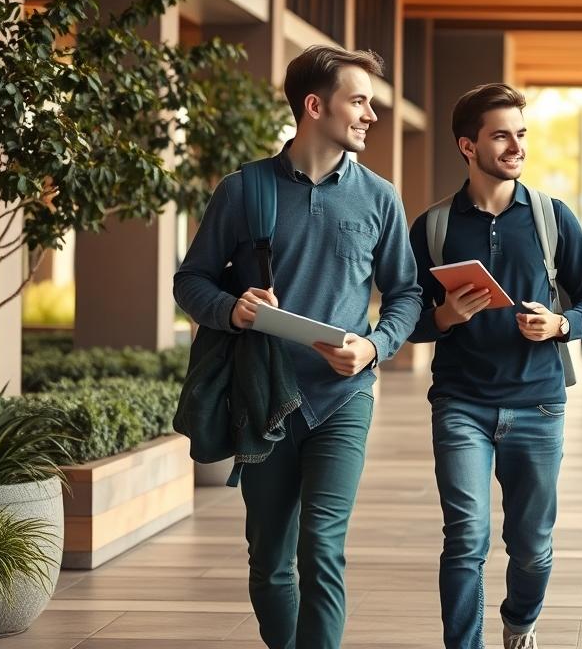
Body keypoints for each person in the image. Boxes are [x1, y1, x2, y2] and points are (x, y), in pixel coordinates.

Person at [173, 45, 422, 649]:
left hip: (343, 396)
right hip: (263, 398)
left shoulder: (379, 197)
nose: (370, 115)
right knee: (270, 561)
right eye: (358, 101)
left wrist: (373, 347)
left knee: (322, 545)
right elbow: (191, 280)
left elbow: (407, 293)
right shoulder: (243, 190)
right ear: (315, 106)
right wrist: (231, 309)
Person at [407, 83, 582, 649]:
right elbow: (406, 318)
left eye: (521, 134)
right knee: (465, 538)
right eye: (502, 136)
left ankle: (520, 623)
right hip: (460, 403)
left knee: (531, 546)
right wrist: (443, 317)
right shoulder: (433, 227)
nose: (517, 146)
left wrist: (561, 324)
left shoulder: (552, 217)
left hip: (539, 404)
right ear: (468, 146)